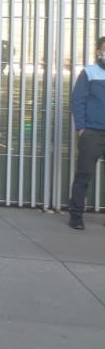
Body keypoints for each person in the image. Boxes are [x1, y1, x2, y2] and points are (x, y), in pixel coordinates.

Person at [68, 35, 105, 230]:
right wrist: (81, 128)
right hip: (92, 132)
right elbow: (77, 100)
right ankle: (76, 215)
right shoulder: (89, 73)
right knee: (84, 174)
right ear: (99, 51)